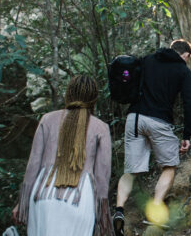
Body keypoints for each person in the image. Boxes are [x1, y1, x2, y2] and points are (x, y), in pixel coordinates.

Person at [12, 75, 115, 236]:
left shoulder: (47, 119)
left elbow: (33, 165)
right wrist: (103, 217)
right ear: (93, 99)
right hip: (80, 199)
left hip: (43, 197)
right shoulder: (101, 128)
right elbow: (102, 178)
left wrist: (22, 204)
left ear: (68, 94)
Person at [113, 39, 191, 235]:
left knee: (130, 171)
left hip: (134, 118)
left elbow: (129, 79)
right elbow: (189, 103)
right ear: (185, 55)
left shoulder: (147, 60)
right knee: (169, 166)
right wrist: (187, 134)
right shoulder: (183, 71)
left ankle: (119, 210)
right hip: (159, 121)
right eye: (188, 59)